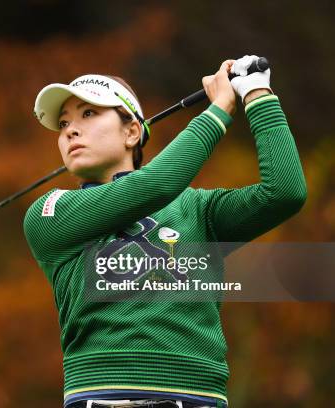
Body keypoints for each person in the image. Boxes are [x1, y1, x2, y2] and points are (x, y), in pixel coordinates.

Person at [23, 56, 307, 408]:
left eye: (89, 114)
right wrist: (218, 110)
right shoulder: (51, 213)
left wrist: (257, 95)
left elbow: (284, 192)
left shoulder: (197, 209)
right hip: (100, 397)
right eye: (63, 123)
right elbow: (157, 184)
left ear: (132, 132)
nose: (70, 130)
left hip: (197, 396)